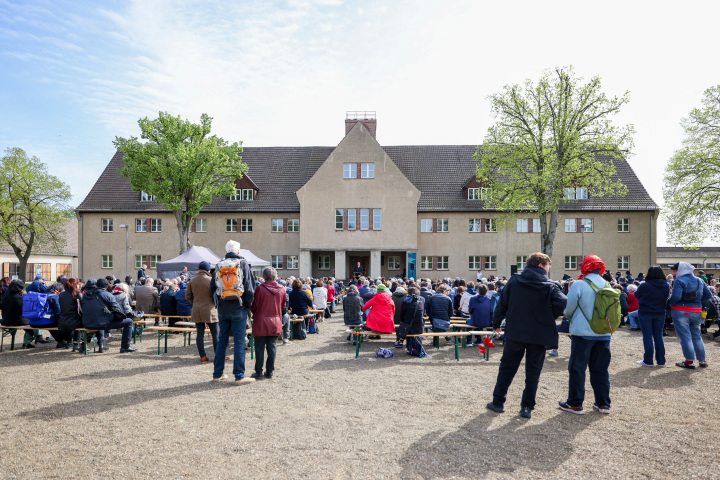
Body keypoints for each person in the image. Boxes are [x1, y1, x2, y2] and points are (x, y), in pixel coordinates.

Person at [487, 252, 566, 419]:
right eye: (548, 265)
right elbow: (562, 302)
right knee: (533, 371)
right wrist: (547, 317)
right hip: (538, 335)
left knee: (507, 368)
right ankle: (527, 407)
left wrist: (496, 324)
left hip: (516, 332)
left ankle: (498, 402)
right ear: (541, 265)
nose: (549, 268)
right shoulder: (549, 284)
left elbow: (501, 304)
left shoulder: (514, 281)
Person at [560, 255, 613, 415]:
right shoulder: (607, 284)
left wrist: (568, 318)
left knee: (577, 368)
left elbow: (568, 309)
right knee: (601, 369)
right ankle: (603, 403)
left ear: (585, 268)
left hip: (583, 333)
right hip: (603, 333)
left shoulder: (579, 284)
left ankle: (575, 403)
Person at [210, 240, 256, 384]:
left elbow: (212, 288)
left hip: (223, 309)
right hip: (239, 308)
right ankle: (239, 376)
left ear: (226, 251)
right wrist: (247, 306)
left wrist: (218, 304)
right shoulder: (242, 263)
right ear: (238, 251)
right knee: (238, 341)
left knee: (222, 340)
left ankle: (217, 374)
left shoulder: (218, 265)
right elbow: (249, 288)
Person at [668, 262, 711, 369]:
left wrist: (668, 303)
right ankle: (702, 360)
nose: (673, 272)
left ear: (681, 270)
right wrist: (696, 301)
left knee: (685, 337)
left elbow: (676, 297)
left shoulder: (679, 280)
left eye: (675, 270)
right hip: (696, 311)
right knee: (697, 336)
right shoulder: (699, 280)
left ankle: (689, 362)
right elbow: (708, 295)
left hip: (680, 310)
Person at [81, 278, 136, 353]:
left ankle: (93, 345)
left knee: (99, 319)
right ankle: (125, 347)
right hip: (102, 323)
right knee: (129, 322)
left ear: (96, 285)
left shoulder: (86, 295)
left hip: (87, 323)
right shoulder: (107, 294)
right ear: (107, 287)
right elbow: (117, 310)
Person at [250, 267, 286, 380]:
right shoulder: (282, 289)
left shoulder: (259, 289)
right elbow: (283, 306)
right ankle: (269, 371)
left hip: (261, 320)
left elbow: (254, 306)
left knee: (259, 348)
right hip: (275, 321)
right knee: (272, 348)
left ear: (264, 276)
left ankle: (259, 372)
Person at [634, 266, 670, 366]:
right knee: (658, 336)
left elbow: (636, 295)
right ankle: (661, 361)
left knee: (647, 336)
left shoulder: (645, 285)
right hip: (660, 313)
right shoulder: (666, 285)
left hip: (645, 312)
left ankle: (648, 360)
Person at [185, 261, 219, 363]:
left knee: (200, 334)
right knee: (215, 334)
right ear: (208, 270)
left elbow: (187, 296)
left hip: (197, 309)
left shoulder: (192, 280)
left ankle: (203, 356)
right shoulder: (211, 280)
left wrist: (195, 303)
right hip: (210, 310)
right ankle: (218, 355)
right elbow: (216, 296)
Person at [1, 279, 35, 348]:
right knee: (34, 321)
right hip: (15, 321)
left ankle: (30, 337)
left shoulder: (6, 296)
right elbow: (25, 310)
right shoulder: (18, 298)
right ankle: (31, 339)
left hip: (5, 320)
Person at [398, 286, 426, 356]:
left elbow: (401, 314)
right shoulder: (421, 301)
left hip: (408, 328)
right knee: (411, 325)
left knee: (407, 325)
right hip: (419, 327)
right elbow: (422, 314)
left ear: (408, 293)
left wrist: (403, 322)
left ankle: (409, 348)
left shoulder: (405, 301)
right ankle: (413, 349)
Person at [58, 277, 83, 352]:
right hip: (74, 321)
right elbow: (81, 309)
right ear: (76, 285)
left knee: (72, 320)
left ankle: (69, 342)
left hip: (62, 320)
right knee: (80, 319)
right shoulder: (78, 294)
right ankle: (76, 343)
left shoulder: (61, 294)